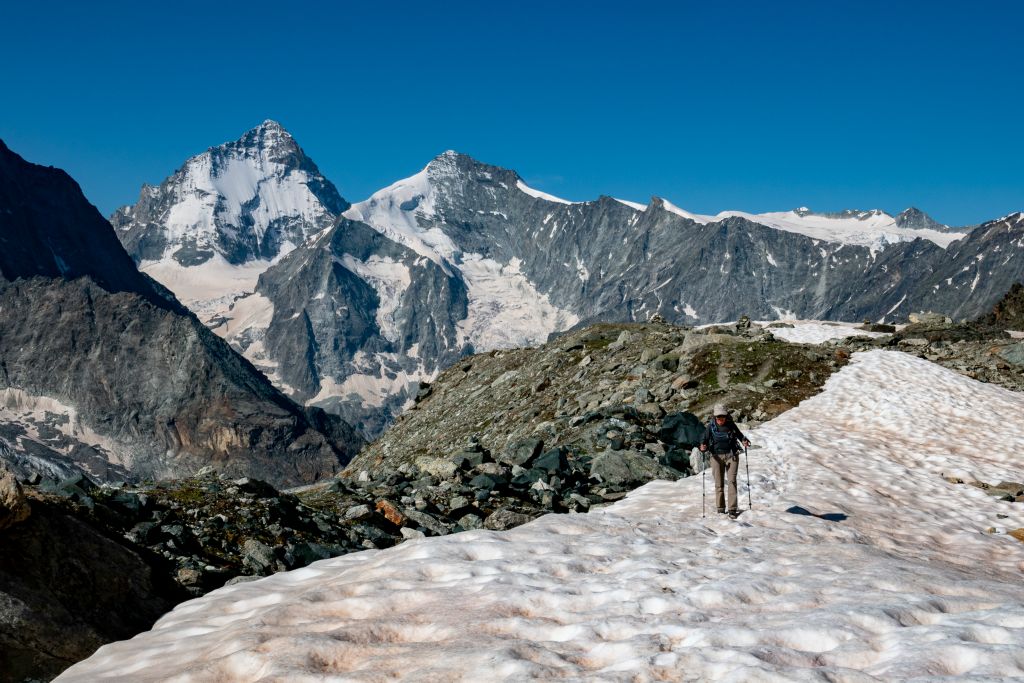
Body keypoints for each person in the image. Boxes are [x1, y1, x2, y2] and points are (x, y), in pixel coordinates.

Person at [699, 404, 750, 518]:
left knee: (732, 481)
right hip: (716, 457)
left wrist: (745, 441)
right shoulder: (710, 426)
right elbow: (704, 439)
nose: (720, 419)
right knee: (719, 484)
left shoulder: (731, 425)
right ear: (715, 417)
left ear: (726, 416)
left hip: (732, 455)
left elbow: (740, 435)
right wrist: (702, 446)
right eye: (718, 417)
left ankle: (732, 509)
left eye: (722, 417)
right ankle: (720, 509)